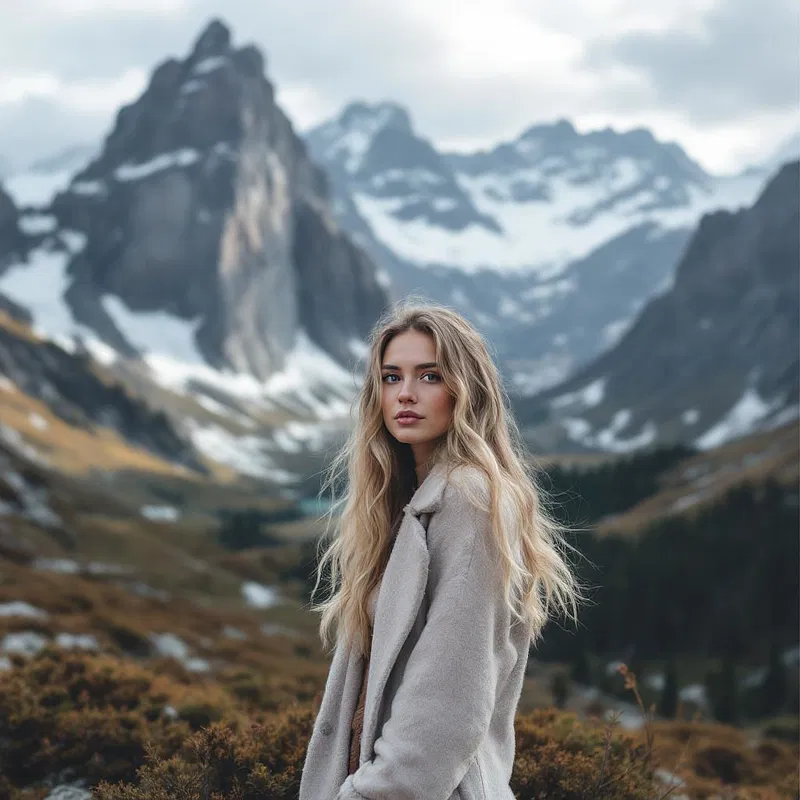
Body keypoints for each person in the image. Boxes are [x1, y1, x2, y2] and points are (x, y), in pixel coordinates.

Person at [299, 300, 584, 800]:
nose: (406, 394)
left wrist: (367, 794)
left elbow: (450, 700)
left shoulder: (470, 500)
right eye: (391, 378)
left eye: (429, 376)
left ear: (466, 390)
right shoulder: (406, 502)